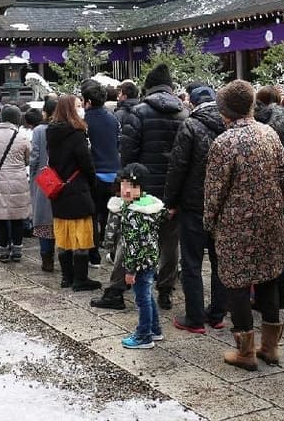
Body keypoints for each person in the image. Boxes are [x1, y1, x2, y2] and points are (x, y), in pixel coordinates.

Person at [204, 80, 284, 372]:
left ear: (224, 111)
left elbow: (214, 191)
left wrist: (209, 220)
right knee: (268, 278)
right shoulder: (270, 134)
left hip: (236, 224)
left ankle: (245, 351)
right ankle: (271, 346)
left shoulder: (224, 143)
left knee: (237, 283)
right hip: (271, 219)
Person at [95, 64, 187, 311]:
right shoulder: (184, 115)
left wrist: (127, 186)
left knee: (131, 237)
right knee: (170, 242)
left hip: (142, 189)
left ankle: (116, 290)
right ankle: (165, 290)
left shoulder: (139, 112)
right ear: (170, 87)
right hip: (172, 189)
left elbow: (128, 155)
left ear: (148, 86)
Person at [163, 84, 227, 332]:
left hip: (193, 204)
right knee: (219, 260)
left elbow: (177, 167)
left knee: (192, 262)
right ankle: (218, 314)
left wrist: (171, 201)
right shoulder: (229, 125)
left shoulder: (190, 125)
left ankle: (195, 318)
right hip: (221, 204)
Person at [47, 95, 101, 291]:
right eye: (78, 106)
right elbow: (86, 163)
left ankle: (66, 277)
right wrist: (92, 181)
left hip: (58, 188)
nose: (81, 109)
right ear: (71, 109)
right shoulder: (77, 134)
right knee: (81, 234)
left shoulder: (51, 132)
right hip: (77, 188)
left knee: (63, 234)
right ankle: (80, 279)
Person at [110, 163, 166, 349]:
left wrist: (130, 270)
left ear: (140, 188)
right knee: (147, 295)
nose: (125, 190)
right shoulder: (147, 206)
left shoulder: (135, 214)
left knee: (142, 299)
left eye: (131, 186)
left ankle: (144, 336)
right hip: (150, 257)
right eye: (123, 185)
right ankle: (155, 330)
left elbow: (134, 245)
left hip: (140, 262)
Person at [0, 105, 32, 261]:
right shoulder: (22, 137)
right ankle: (17, 250)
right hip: (19, 181)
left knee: (0, 218)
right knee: (17, 218)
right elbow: (28, 158)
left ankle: (3, 251)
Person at [81, 79, 121, 269]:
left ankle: (93, 256)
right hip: (114, 172)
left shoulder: (84, 121)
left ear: (87, 101)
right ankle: (114, 253)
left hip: (95, 172)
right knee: (113, 215)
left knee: (92, 216)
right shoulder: (113, 118)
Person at [29, 99, 57, 271]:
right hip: (64, 179)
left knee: (44, 219)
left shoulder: (39, 130)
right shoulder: (71, 127)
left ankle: (47, 258)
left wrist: (33, 176)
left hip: (44, 178)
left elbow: (34, 157)